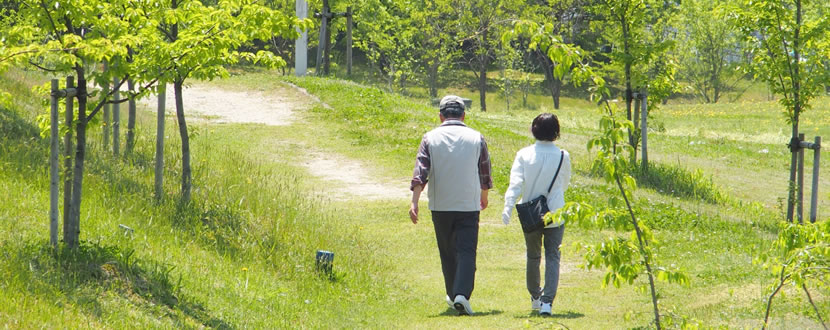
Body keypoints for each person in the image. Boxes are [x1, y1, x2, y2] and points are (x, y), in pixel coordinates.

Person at [409, 95, 492, 316]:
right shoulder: (477, 137)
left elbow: (421, 172)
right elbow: (484, 170)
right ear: (464, 115)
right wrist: (484, 195)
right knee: (466, 250)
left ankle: (454, 294)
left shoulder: (430, 138)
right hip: (468, 203)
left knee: (447, 251)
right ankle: (461, 295)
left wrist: (414, 202)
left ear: (440, 116)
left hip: (440, 204)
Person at [502, 113, 571, 316]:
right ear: (556, 132)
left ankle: (535, 297)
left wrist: (508, 206)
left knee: (533, 256)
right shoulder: (562, 156)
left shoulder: (524, 154)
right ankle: (547, 302)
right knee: (553, 257)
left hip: (531, 213)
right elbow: (564, 183)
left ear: (534, 129)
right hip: (555, 211)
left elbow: (515, 184)